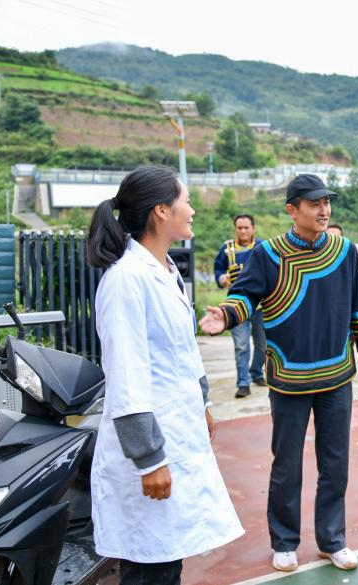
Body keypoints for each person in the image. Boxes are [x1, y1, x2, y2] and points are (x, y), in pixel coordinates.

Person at [199, 174, 358, 573]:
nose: (323, 210)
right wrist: (226, 315)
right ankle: (284, 541)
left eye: (326, 203)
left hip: (337, 375)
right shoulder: (268, 254)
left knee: (335, 463)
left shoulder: (345, 251)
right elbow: (245, 296)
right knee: (286, 464)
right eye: (314, 204)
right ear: (292, 210)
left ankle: (333, 539)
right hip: (288, 377)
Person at [88, 165, 243, 585]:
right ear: (161, 211)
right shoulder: (126, 280)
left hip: (175, 432)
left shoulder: (165, 271)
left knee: (168, 560)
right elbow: (127, 374)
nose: (192, 210)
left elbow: (182, 352)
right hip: (151, 447)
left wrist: (203, 402)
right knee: (150, 566)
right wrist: (148, 458)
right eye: (186, 201)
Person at [213, 214, 266, 398]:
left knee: (263, 346)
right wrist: (222, 278)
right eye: (239, 228)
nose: (243, 231)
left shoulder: (262, 247)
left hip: (261, 305)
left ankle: (256, 372)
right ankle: (243, 383)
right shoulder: (227, 248)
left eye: (246, 228)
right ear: (235, 229)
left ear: (253, 228)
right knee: (241, 346)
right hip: (236, 305)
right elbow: (218, 269)